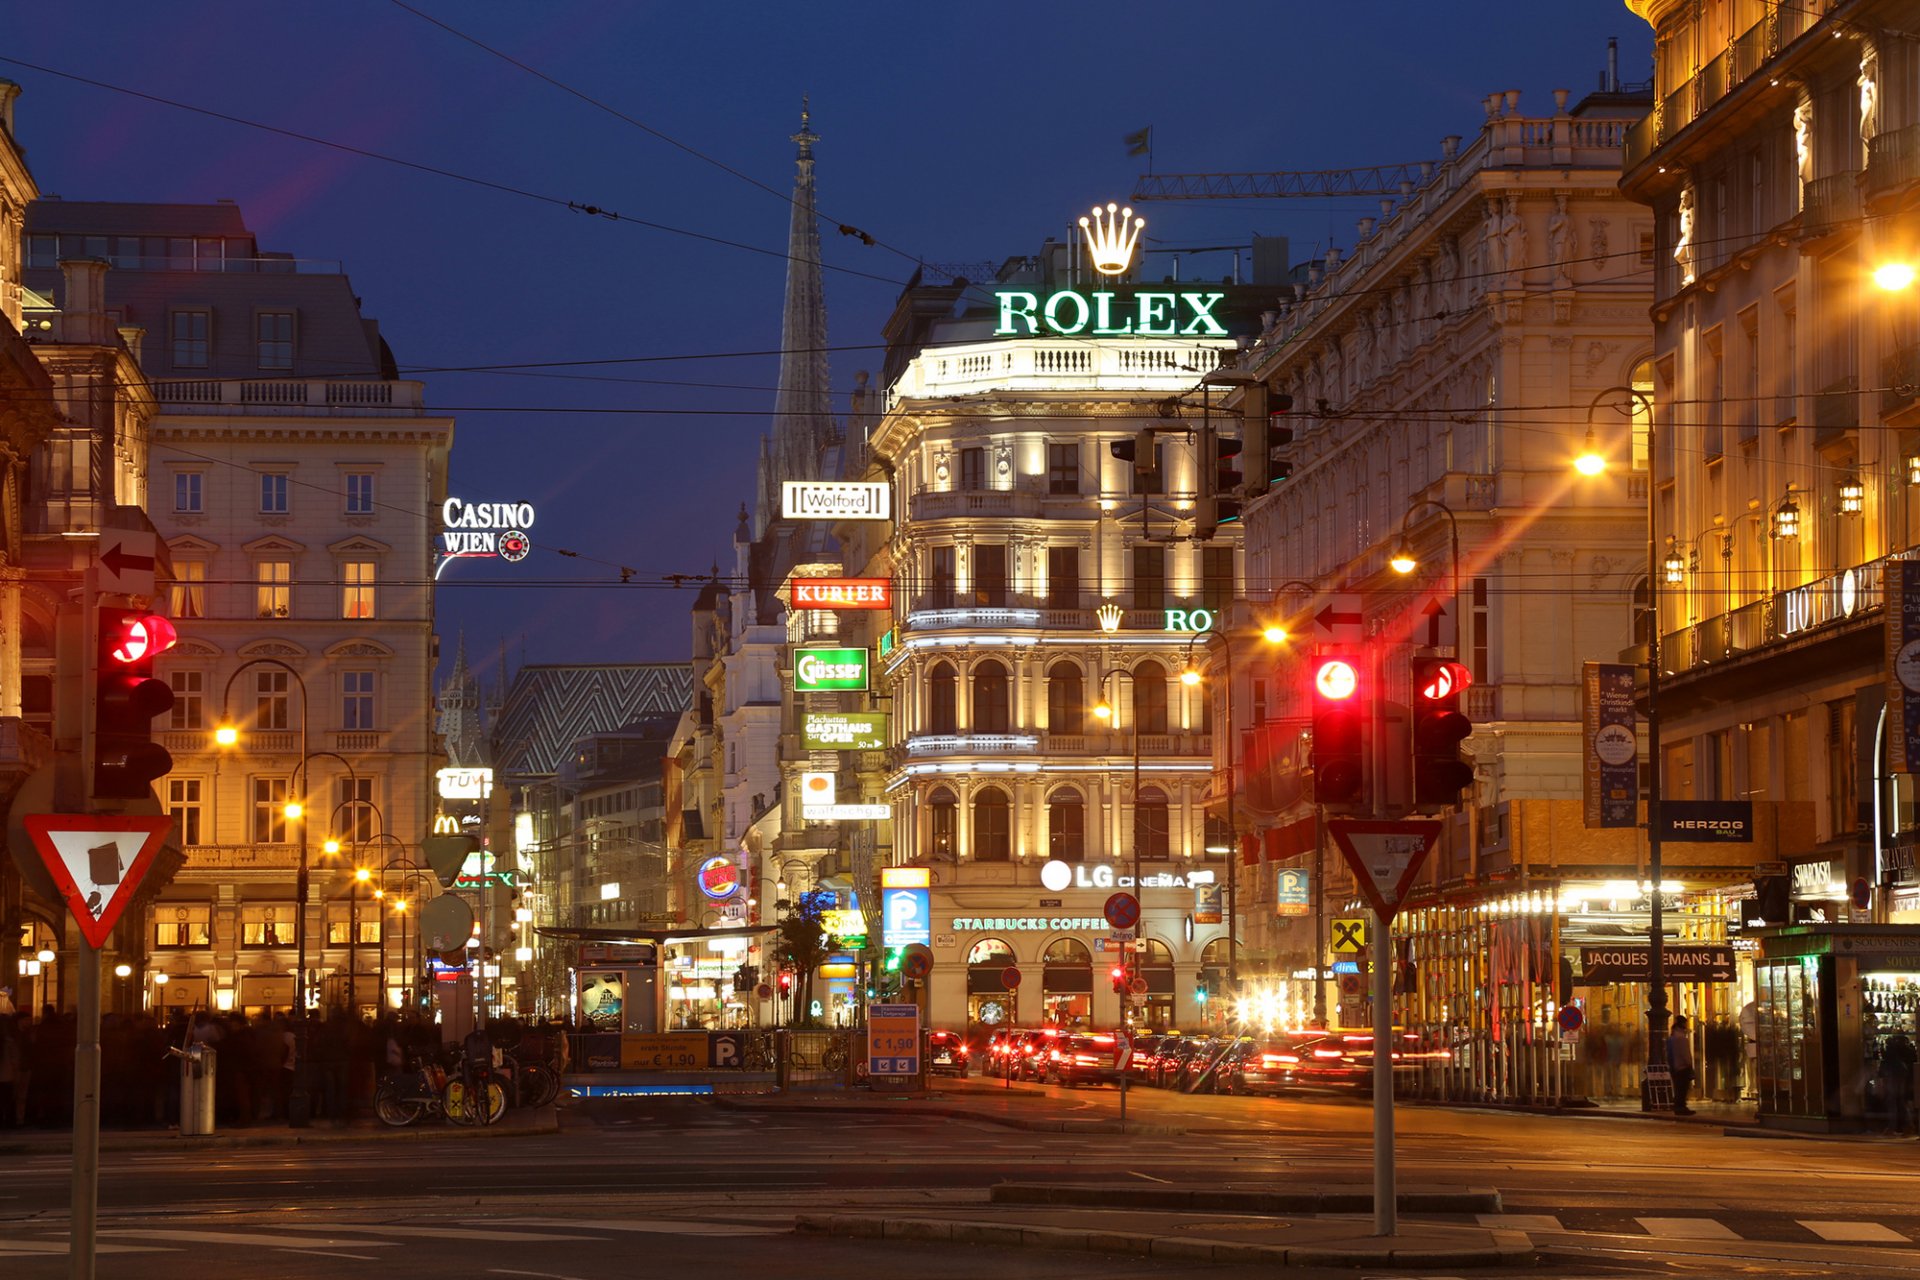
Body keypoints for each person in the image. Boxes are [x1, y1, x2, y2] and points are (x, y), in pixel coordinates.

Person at [1879, 1022, 1916, 1135]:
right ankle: (1907, 1126)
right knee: (1901, 1101)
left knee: (1893, 1100)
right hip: (1903, 1075)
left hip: (1894, 1074)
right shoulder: (1906, 1048)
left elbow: (1887, 1061)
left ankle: (1893, 1127)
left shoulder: (1891, 1048)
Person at [1668, 1014, 1697, 1116]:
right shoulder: (1681, 1038)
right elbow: (1685, 1053)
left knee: (1678, 1088)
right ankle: (1681, 1107)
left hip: (1675, 1067)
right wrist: (1689, 1064)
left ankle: (1679, 1106)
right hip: (1683, 1066)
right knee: (1682, 1089)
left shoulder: (1672, 1037)